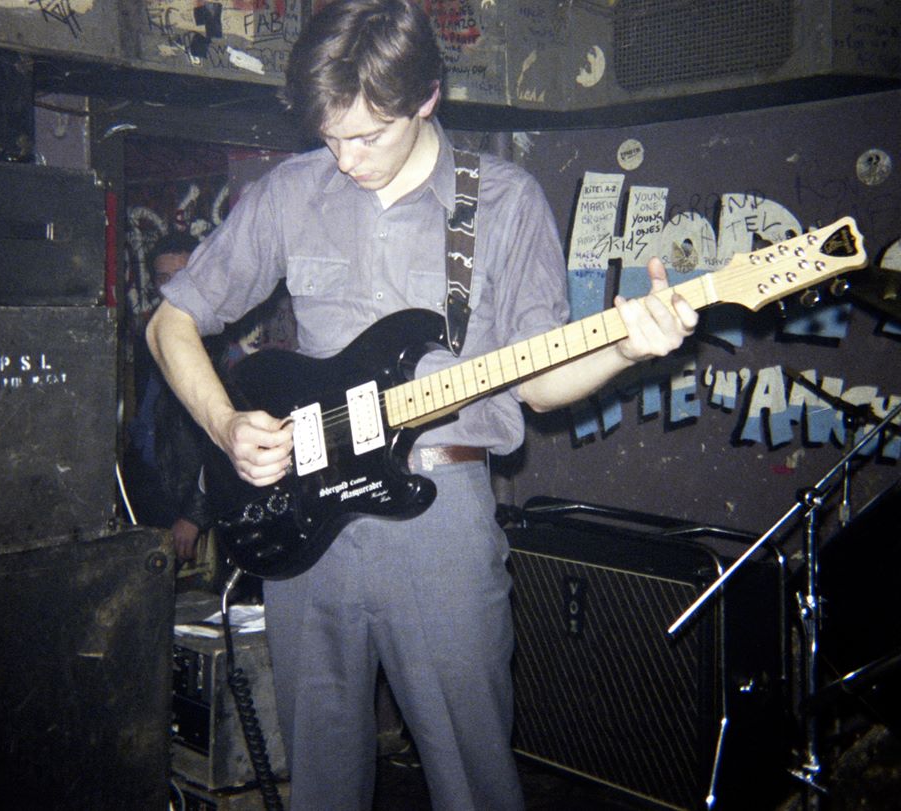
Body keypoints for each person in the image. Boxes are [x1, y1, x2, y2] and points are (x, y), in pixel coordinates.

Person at [146, 1, 698, 808]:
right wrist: (226, 425)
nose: (345, 158)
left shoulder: (503, 203)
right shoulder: (292, 190)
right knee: (321, 786)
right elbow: (172, 323)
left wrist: (622, 344)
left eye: (368, 135)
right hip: (306, 524)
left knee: (473, 780)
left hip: (442, 521)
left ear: (427, 98)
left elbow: (539, 382)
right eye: (330, 136)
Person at [125, 231, 214, 561]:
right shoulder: (147, 336)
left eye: (182, 277)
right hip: (145, 486)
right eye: (163, 278)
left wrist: (194, 515)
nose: (171, 287)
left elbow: (221, 442)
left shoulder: (214, 347)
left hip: (184, 496)